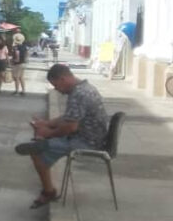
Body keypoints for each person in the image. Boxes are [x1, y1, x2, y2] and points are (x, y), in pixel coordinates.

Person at [15, 64, 110, 208]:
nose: (56, 89)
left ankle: (49, 192)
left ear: (63, 79)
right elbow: (68, 118)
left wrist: (49, 132)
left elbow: (70, 127)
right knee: (41, 141)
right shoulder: (85, 88)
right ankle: (41, 143)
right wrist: (47, 123)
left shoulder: (78, 94)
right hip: (89, 137)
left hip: (87, 142)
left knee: (36, 151)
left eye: (56, 85)